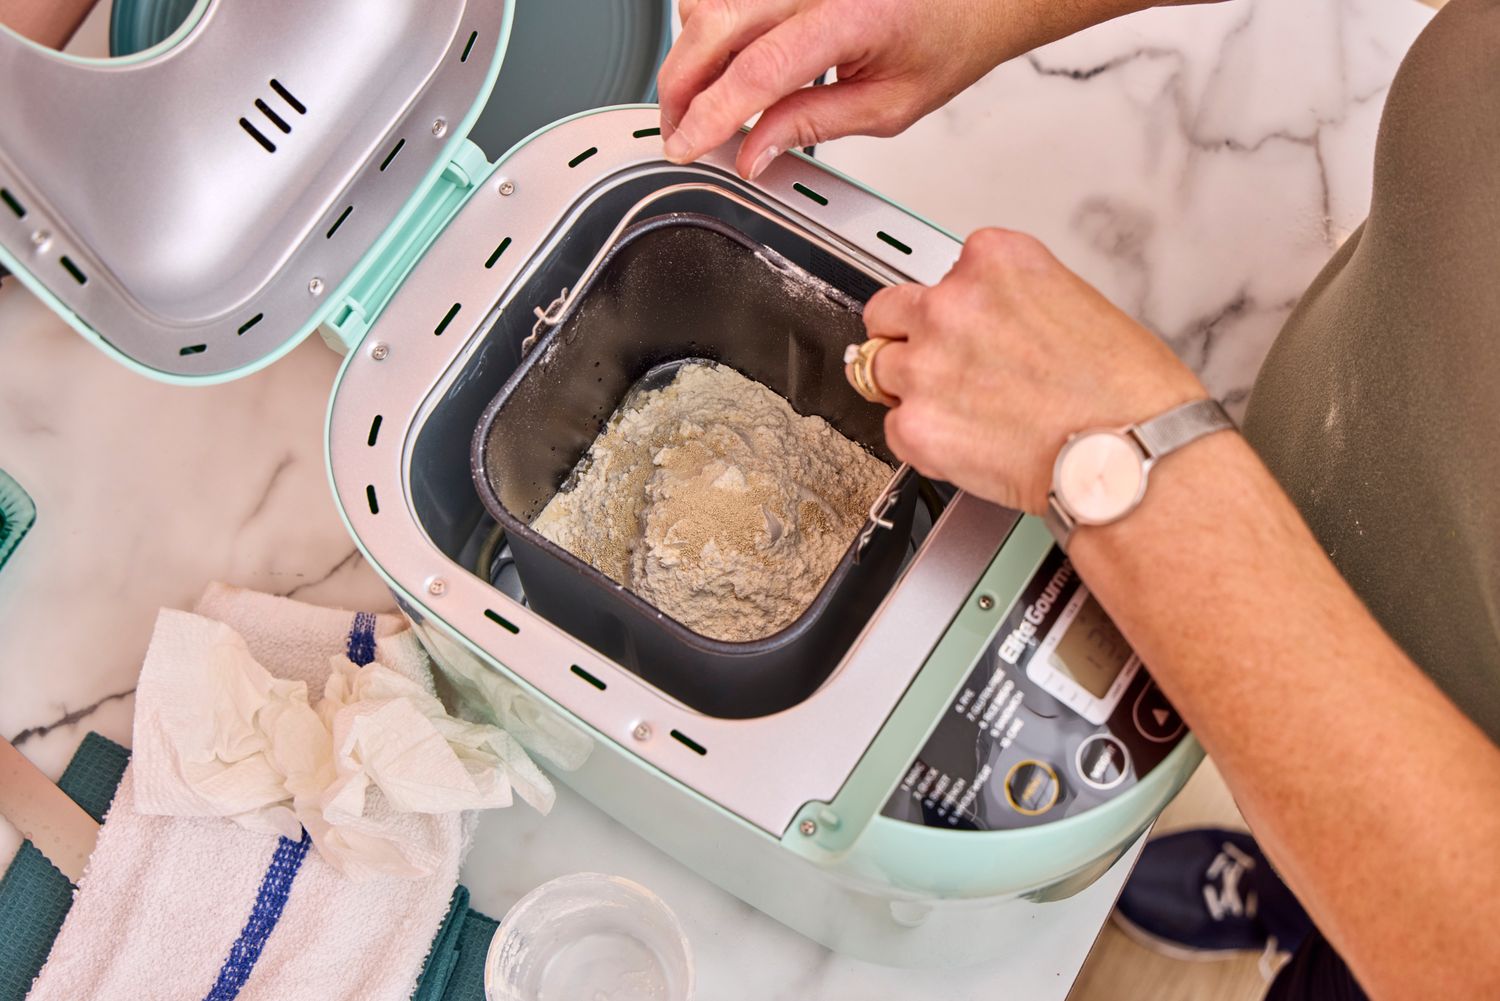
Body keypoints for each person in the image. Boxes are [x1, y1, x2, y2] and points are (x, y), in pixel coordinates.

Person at [657, 1, 1500, 999]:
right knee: (1315, 856)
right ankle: (1306, 881)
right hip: (1333, 523)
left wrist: (1127, 460)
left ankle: (1336, 922)